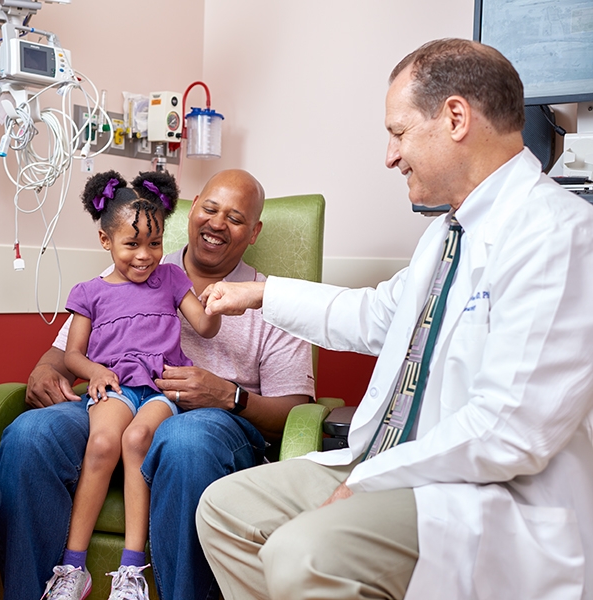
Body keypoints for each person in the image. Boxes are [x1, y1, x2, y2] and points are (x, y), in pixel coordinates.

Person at [197, 38, 593, 600]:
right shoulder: (446, 234)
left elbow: (511, 430)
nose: (390, 155)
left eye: (398, 132)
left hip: (480, 490)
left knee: (301, 553)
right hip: (386, 459)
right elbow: (376, 314)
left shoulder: (558, 235)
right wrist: (260, 295)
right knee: (224, 508)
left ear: (455, 117)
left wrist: (372, 480)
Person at [0, 169, 315, 600]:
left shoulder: (269, 300)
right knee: (30, 434)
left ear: (255, 231)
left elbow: (294, 413)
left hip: (213, 418)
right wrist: (43, 369)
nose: (218, 223)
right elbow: (69, 349)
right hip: (114, 393)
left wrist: (228, 395)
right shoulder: (133, 266)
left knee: (186, 443)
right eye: (210, 208)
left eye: (236, 218)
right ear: (192, 208)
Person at [42, 170, 220, 599]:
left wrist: (217, 305)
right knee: (103, 444)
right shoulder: (89, 292)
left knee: (139, 438)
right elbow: (72, 355)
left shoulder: (175, 279)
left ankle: (131, 570)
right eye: (132, 244)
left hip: (160, 387)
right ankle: (72, 568)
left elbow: (204, 326)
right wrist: (95, 372)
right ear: (106, 241)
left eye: (155, 244)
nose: (145, 255)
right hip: (115, 386)